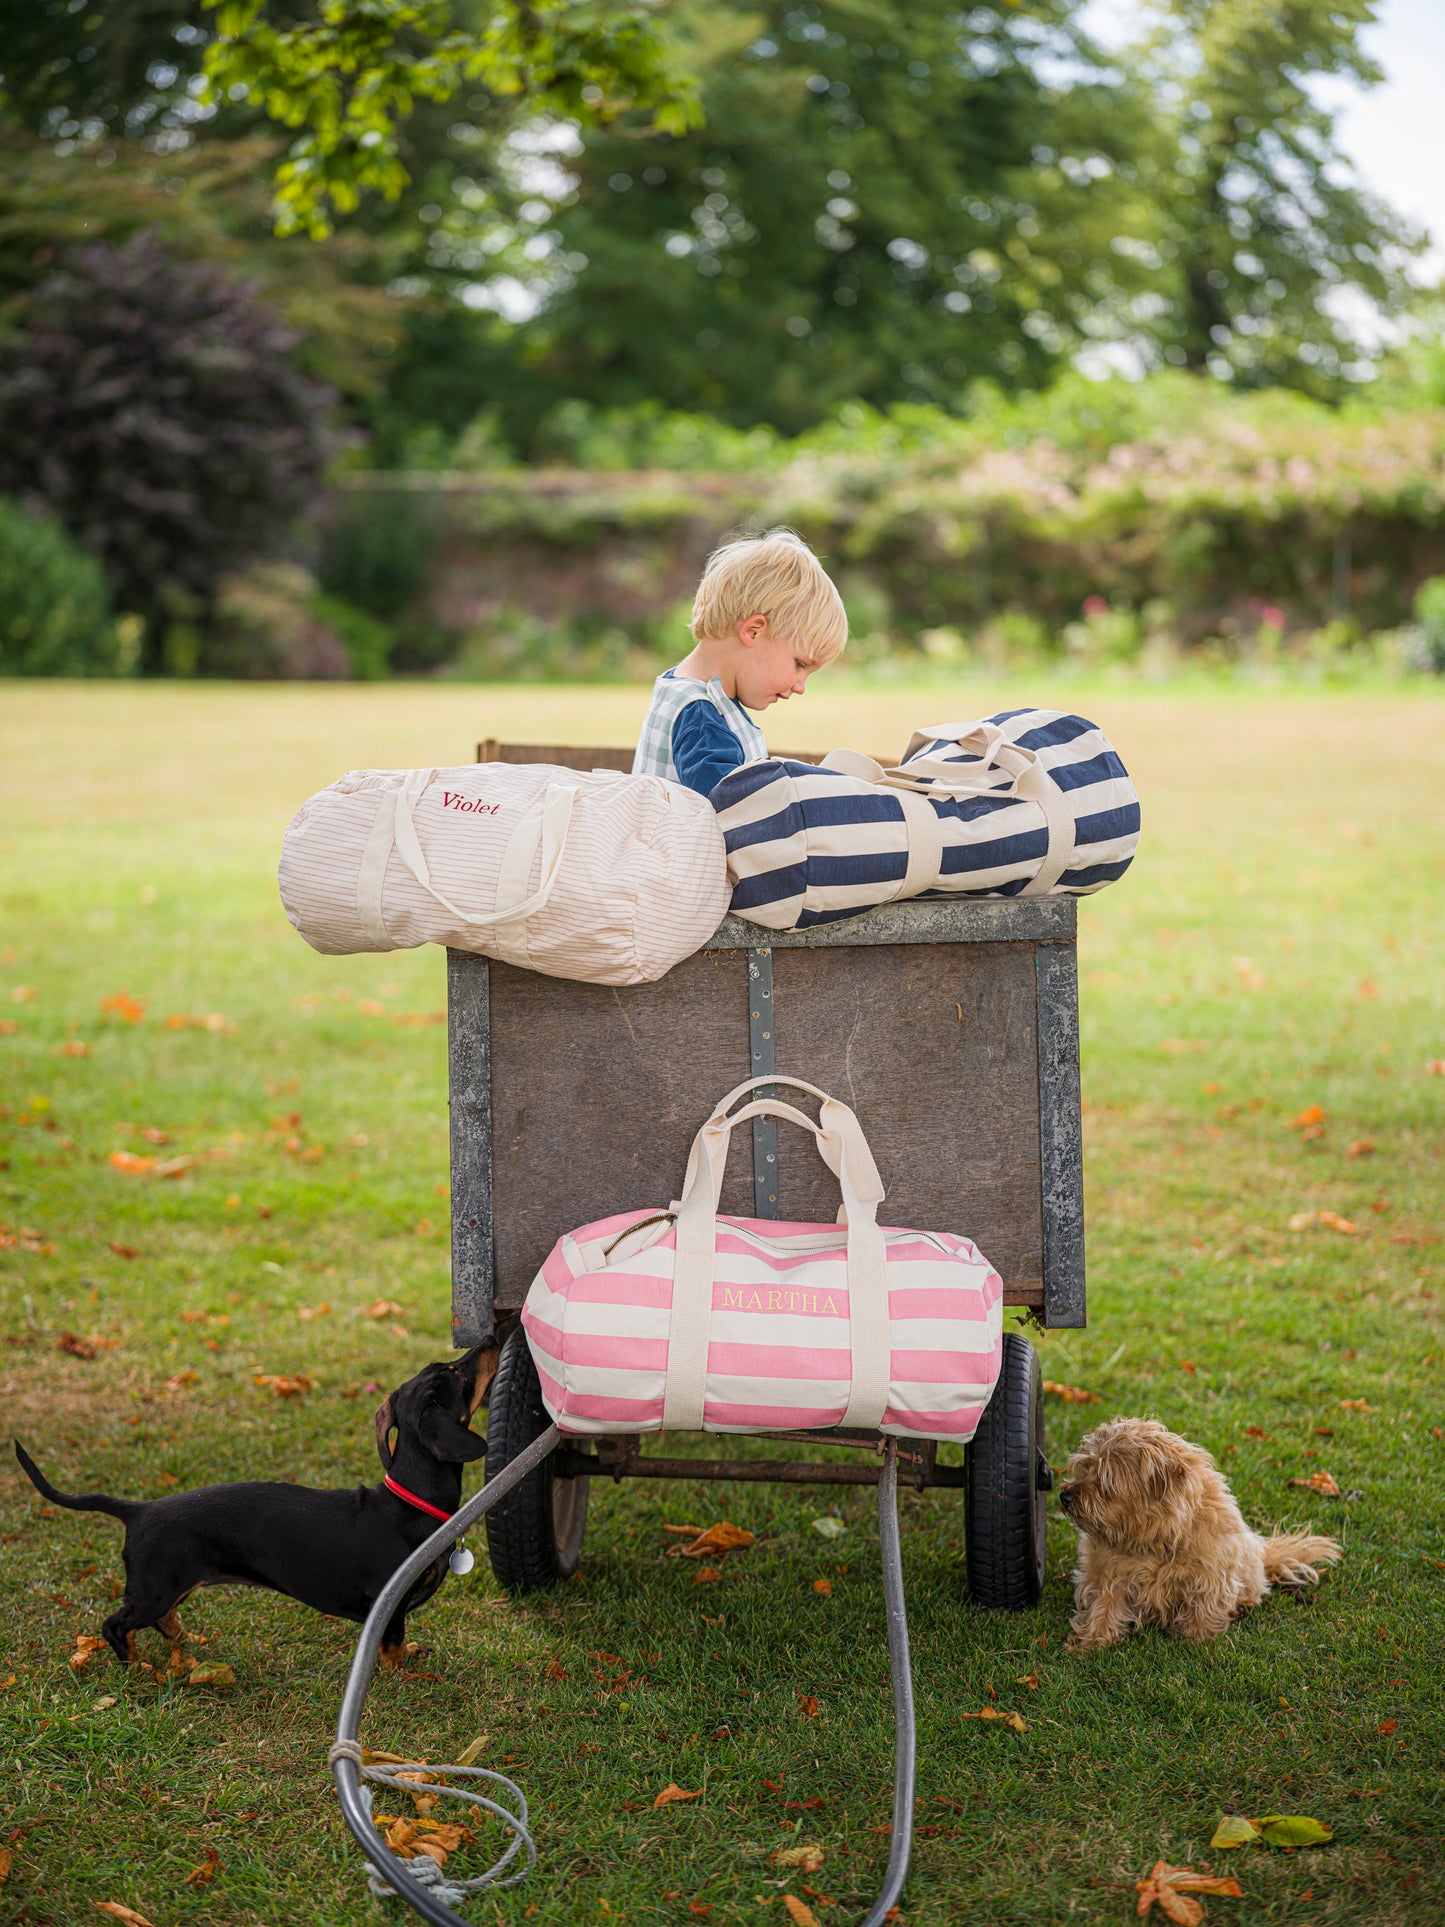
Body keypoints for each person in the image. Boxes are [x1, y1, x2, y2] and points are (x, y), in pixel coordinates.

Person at [632, 527, 848, 797]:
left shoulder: (686, 689)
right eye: (800, 665)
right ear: (753, 631)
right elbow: (735, 810)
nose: (801, 686)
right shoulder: (701, 717)